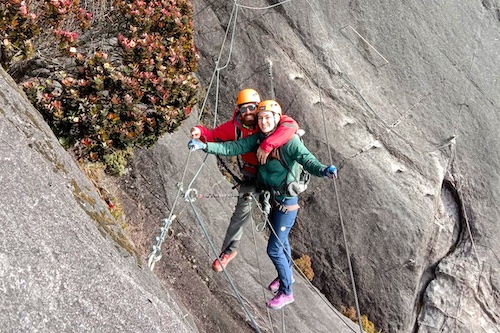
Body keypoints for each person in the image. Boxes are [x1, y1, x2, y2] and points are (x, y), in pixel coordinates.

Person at [188, 99, 337, 310]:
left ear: (277, 119)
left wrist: (323, 170)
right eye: (261, 118)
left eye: (268, 117)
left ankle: (287, 292)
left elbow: (307, 159)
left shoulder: (290, 141)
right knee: (281, 240)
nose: (264, 121)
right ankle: (288, 276)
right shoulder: (259, 137)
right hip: (274, 197)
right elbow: (233, 147)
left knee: (274, 249)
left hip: (286, 201)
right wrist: (204, 146)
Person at [190, 89, 299, 272]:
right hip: (252, 175)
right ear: (238, 110)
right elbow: (212, 137)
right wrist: (198, 131)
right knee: (240, 214)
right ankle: (229, 251)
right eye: (244, 109)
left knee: (278, 222)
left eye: (252, 107)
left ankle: (286, 270)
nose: (248, 112)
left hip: (275, 177)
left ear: (258, 108)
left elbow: (291, 125)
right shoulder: (234, 128)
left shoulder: (266, 119)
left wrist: (267, 145)